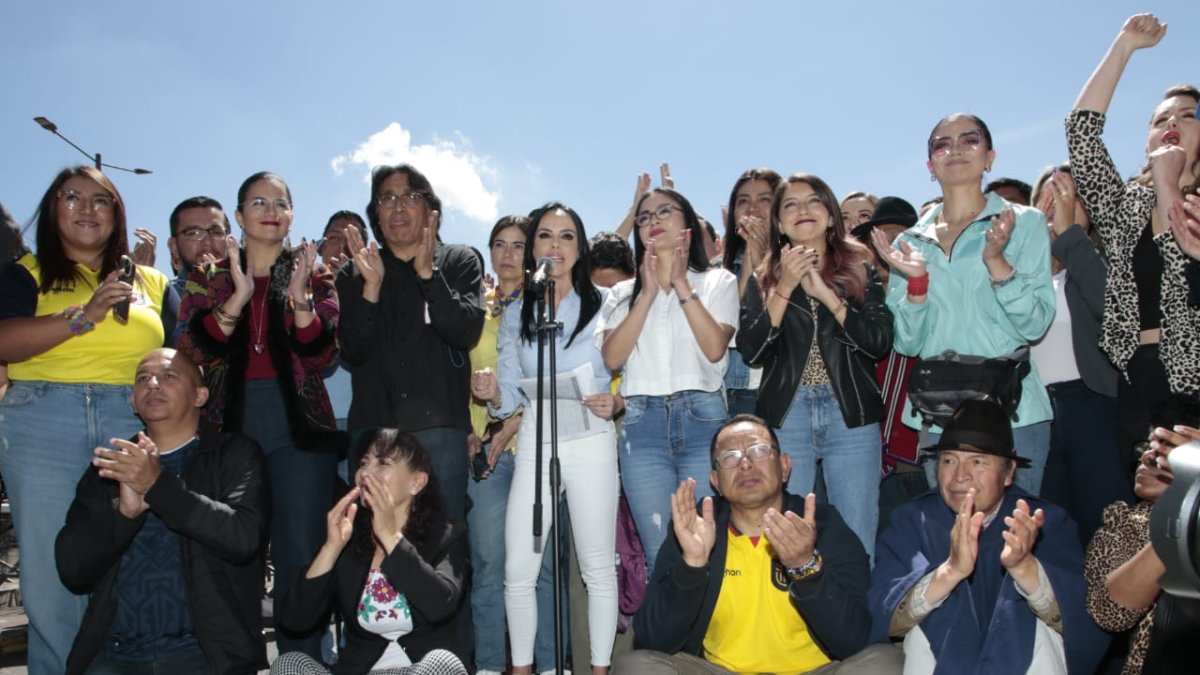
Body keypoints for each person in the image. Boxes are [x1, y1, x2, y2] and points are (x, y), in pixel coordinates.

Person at [0, 166, 176, 673]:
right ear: (53, 210)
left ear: (117, 215)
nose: (85, 208)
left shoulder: (153, 282)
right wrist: (85, 316)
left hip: (131, 419)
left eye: (101, 200)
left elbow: (186, 351)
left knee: (135, 562)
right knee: (51, 573)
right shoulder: (25, 273)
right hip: (41, 423)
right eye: (71, 197)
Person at [176, 171, 341, 659]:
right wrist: (238, 297)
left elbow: (323, 356)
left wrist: (299, 299)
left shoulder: (316, 275)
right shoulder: (209, 277)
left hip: (301, 434)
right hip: (228, 431)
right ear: (240, 215)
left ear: (292, 215)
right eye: (257, 202)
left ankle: (301, 663)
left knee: (300, 554)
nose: (270, 210)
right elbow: (192, 348)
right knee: (230, 554)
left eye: (280, 203)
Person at [615, 414, 900, 674]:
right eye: (730, 457)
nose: (745, 464)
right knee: (635, 666)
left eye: (759, 450)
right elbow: (652, 640)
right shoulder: (696, 529)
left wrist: (806, 569)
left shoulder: (823, 528)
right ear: (715, 481)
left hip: (814, 671)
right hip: (722, 671)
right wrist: (692, 566)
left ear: (785, 466)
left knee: (886, 663)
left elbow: (856, 641)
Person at [872, 113, 1056, 495]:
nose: (954, 149)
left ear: (990, 157)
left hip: (1014, 411)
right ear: (929, 166)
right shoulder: (910, 240)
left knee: (1012, 538)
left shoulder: (1025, 223)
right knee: (949, 540)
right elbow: (906, 343)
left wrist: (997, 262)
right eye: (942, 144)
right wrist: (917, 284)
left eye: (969, 140)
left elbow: (1035, 323)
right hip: (938, 415)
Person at [55, 348, 269, 674]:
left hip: (204, 655)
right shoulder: (109, 468)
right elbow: (73, 570)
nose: (153, 384)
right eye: (143, 378)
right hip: (114, 655)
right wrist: (124, 517)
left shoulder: (233, 455)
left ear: (200, 395)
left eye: (168, 375)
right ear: (133, 401)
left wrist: (157, 486)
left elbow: (242, 538)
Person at [473, 202, 620, 674]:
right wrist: (493, 392)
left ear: (580, 248)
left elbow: (630, 369)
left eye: (566, 236)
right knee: (519, 569)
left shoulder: (606, 301)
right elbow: (510, 394)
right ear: (534, 244)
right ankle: (521, 668)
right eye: (545, 236)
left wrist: (619, 402)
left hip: (592, 438)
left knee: (596, 567)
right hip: (537, 437)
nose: (554, 246)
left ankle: (598, 669)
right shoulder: (518, 311)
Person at [869, 399, 1109, 674]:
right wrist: (949, 573)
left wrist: (1025, 567)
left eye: (978, 461)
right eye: (949, 460)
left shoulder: (1043, 521)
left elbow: (1086, 626)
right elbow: (881, 618)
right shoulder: (913, 520)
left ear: (1008, 472)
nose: (960, 476)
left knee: (1034, 624)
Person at [738, 173, 893, 558]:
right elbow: (752, 351)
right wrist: (785, 285)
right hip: (788, 415)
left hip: (851, 414)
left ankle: (856, 619)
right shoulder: (764, 276)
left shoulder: (859, 265)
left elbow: (878, 342)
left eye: (813, 201)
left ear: (830, 214)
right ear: (778, 222)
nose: (802, 211)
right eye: (790, 205)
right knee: (788, 538)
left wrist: (828, 296)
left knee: (857, 538)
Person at [1066, 13, 1200, 457]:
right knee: (1150, 519)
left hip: (1196, 377)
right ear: (1146, 141)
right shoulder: (1124, 208)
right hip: (1138, 379)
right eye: (1160, 118)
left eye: (1187, 115)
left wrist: (1168, 184)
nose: (1172, 123)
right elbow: (1082, 134)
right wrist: (1123, 46)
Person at [599, 187, 739, 574]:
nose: (653, 221)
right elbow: (612, 358)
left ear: (688, 225)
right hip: (642, 426)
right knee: (658, 552)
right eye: (644, 217)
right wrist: (645, 294)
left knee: (707, 547)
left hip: (703, 419)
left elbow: (714, 348)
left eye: (665, 212)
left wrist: (680, 284)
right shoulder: (622, 293)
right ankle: (667, 636)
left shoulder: (717, 282)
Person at [337, 164, 485, 522]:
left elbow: (465, 333)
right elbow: (352, 351)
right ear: (376, 213)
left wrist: (429, 277)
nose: (398, 207)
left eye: (409, 197)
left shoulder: (458, 261)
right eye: (387, 198)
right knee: (370, 544)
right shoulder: (355, 272)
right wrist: (371, 289)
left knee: (443, 542)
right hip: (373, 430)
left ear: (430, 211)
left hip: (440, 432)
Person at [272, 428, 469, 675]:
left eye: (383, 463)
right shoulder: (350, 538)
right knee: (289, 664)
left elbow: (440, 605)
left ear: (416, 482)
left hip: (419, 670)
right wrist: (330, 548)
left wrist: (390, 537)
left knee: (443, 663)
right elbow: (295, 620)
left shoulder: (446, 536)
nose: (366, 472)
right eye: (364, 463)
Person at [465, 215, 562, 675]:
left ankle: (548, 665)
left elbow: (553, 377)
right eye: (498, 244)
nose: (507, 253)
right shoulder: (473, 307)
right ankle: (487, 665)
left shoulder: (548, 303)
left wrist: (516, 423)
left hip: (535, 447)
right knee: (488, 562)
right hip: (485, 451)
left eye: (518, 245)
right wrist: (466, 427)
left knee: (541, 567)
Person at [1030, 165, 1133, 546]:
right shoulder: (1019, 273)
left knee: (1107, 524)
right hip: (1035, 412)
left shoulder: (1105, 264)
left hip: (1094, 406)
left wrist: (1070, 237)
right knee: (1047, 529)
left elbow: (1115, 308)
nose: (1059, 206)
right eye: (1049, 196)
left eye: (1070, 196)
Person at [1085, 424, 1200, 674]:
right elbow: (1110, 613)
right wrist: (1181, 506)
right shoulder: (1122, 522)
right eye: (1146, 449)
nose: (1146, 457)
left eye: (1165, 452)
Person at [720, 169, 783, 417]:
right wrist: (749, 259)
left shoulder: (799, 261)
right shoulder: (719, 270)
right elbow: (732, 328)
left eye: (764, 200)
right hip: (738, 391)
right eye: (743, 201)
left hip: (787, 388)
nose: (752, 209)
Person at [166, 196, 230, 298]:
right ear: (174, 247)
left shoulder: (253, 296)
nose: (207, 242)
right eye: (194, 233)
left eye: (217, 233)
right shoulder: (160, 301)